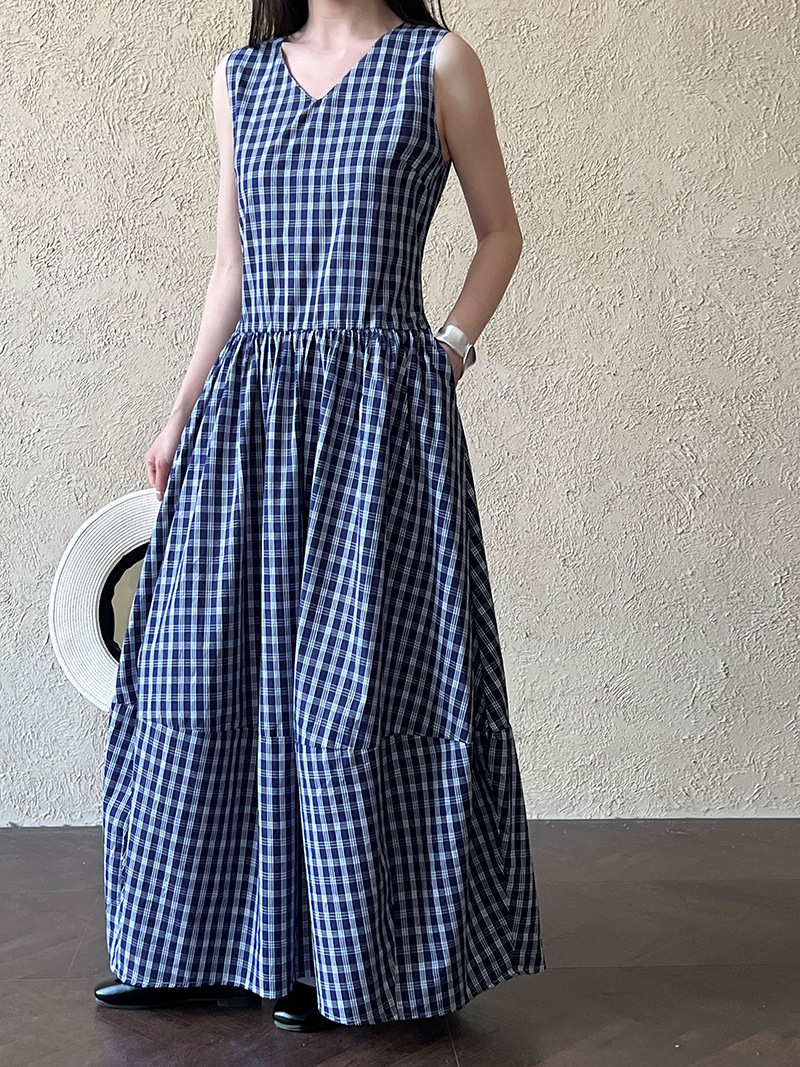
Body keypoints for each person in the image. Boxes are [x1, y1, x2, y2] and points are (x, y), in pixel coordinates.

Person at [94, 0, 545, 1032]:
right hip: (250, 412)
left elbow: (501, 232)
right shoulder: (240, 79)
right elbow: (232, 268)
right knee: (203, 676)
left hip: (379, 421)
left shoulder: (436, 63)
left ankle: (346, 957)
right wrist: (180, 409)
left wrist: (448, 349)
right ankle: (199, 948)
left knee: (353, 697)